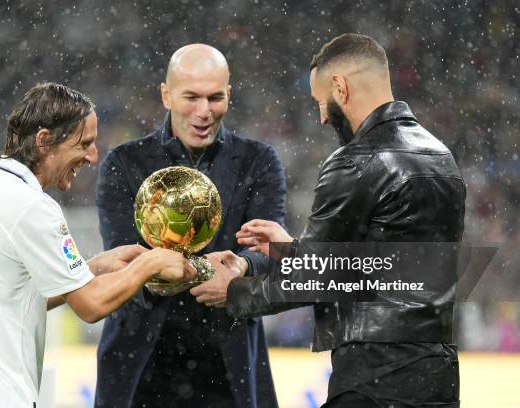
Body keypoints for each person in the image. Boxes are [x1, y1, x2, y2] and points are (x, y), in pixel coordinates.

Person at [192, 33, 466, 407]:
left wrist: (235, 292)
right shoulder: (441, 158)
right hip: (438, 378)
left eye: (321, 101)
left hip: (373, 381)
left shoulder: (357, 160)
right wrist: (293, 250)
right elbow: (393, 266)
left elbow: (315, 278)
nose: (321, 116)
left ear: (340, 86)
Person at [0, 83, 195, 407]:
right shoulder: (33, 206)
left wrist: (92, 267)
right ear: (44, 141)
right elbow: (91, 306)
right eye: (84, 144)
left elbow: (13, 298)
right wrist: (151, 262)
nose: (93, 156)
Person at [95, 44, 285, 407]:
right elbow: (123, 259)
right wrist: (203, 271)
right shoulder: (125, 162)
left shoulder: (258, 161)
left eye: (215, 97)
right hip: (139, 362)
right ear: (166, 95)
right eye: (191, 97)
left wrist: (241, 266)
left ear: (229, 95)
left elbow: (270, 252)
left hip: (228, 365)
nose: (204, 111)